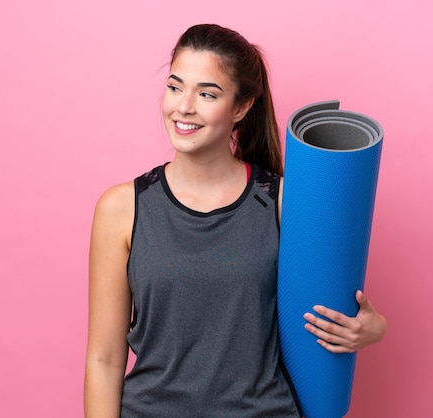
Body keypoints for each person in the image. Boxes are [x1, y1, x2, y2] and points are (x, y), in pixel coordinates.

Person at [84, 23, 387, 417]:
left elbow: (337, 309)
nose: (184, 106)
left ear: (241, 107)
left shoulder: (285, 203)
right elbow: (104, 359)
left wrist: (374, 328)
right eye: (175, 87)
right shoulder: (121, 208)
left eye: (206, 93)